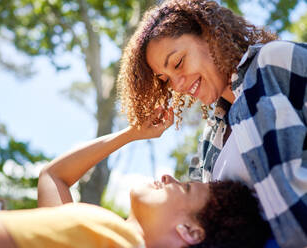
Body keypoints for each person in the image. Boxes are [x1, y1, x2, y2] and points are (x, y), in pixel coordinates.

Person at [117, 0, 307, 247]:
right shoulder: (209, 142)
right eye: (166, 79)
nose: (177, 85)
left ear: (209, 36)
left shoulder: (271, 63)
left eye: (178, 63)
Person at [0, 110, 271, 248]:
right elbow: (55, 177)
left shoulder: (107, 237)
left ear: (190, 231)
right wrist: (132, 133)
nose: (168, 176)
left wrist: (132, 135)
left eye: (184, 187)